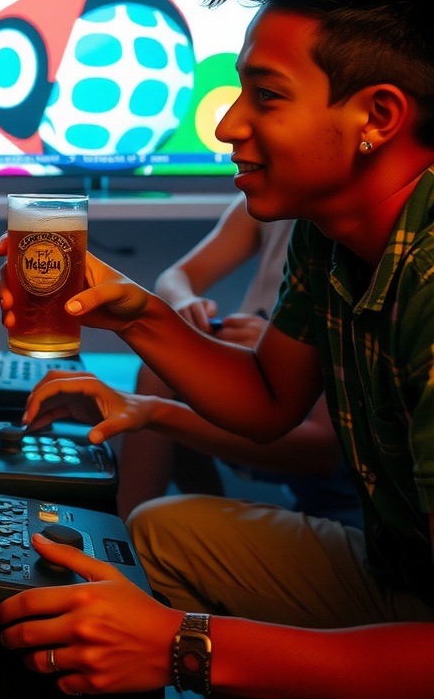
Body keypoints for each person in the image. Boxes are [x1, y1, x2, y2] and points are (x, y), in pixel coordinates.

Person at [0, 0, 434, 699]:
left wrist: (180, 645)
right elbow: (270, 402)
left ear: (377, 115)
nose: (228, 123)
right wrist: (131, 313)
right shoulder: (326, 230)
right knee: (159, 530)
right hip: (401, 569)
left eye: (265, 96)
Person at [113, 194, 360, 526]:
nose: (228, 139)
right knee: (161, 371)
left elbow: (322, 449)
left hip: (330, 453)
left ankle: (137, 532)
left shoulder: (344, 236)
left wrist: (281, 348)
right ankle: (146, 525)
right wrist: (185, 301)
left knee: (160, 384)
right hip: (261, 391)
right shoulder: (270, 204)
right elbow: (176, 277)